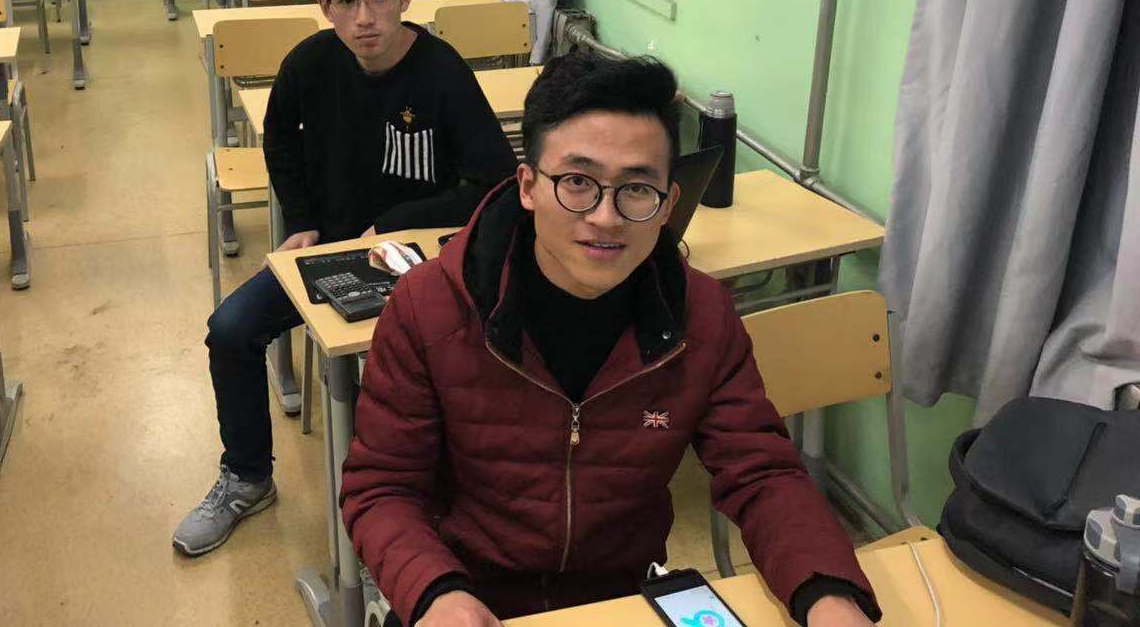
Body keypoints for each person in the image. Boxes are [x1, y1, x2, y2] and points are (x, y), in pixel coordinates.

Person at [340, 51, 881, 626]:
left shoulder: (701, 316)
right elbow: (382, 487)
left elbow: (761, 473)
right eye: (577, 182)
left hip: (621, 601)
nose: (605, 217)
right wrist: (435, 593)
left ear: (669, 205)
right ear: (528, 186)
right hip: (466, 593)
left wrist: (827, 593)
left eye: (637, 189)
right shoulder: (429, 307)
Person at [173, 0, 517, 557]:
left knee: (429, 359)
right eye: (347, 0)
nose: (366, 18)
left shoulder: (441, 71)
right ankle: (247, 477)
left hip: (423, 260)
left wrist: (398, 222)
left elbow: (493, 180)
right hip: (331, 250)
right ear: (324, 6)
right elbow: (279, 138)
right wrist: (301, 218)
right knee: (230, 330)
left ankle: (440, 490)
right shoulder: (309, 64)